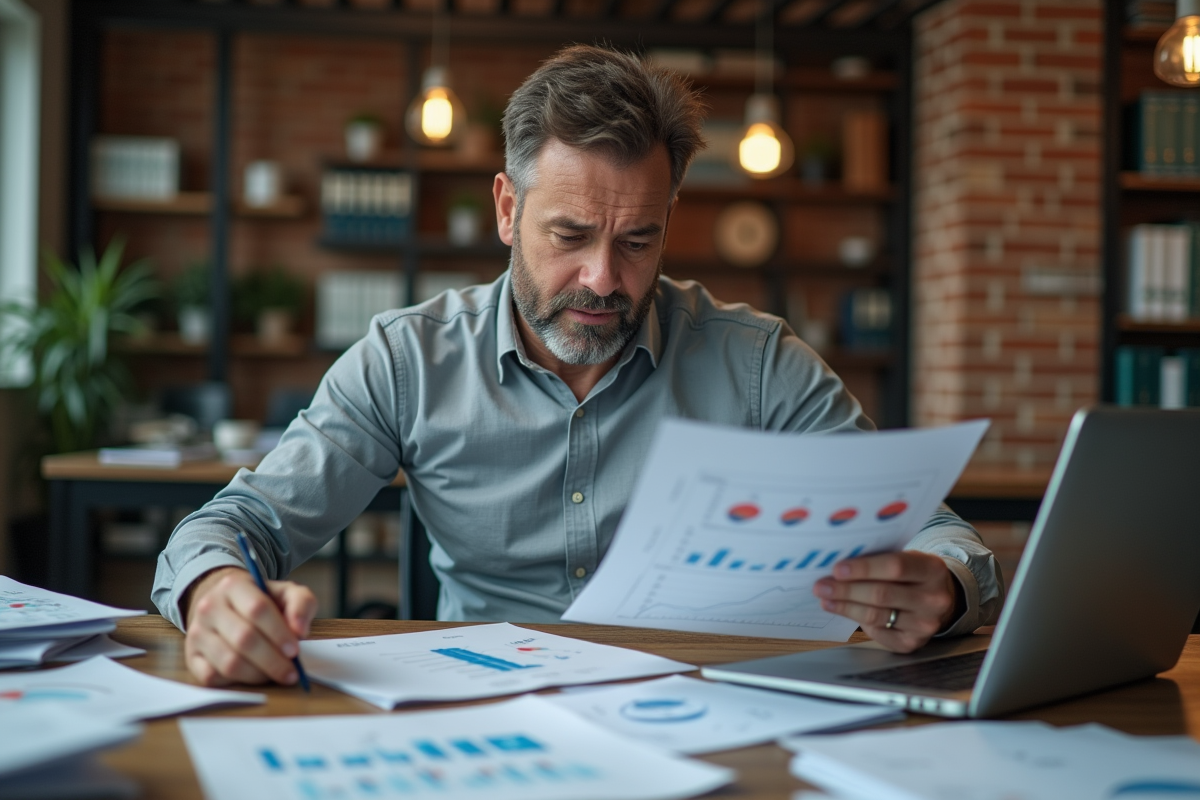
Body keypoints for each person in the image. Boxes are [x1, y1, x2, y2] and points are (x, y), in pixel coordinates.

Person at [153, 45, 1005, 688]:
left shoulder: (756, 363)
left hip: (706, 709)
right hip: (482, 709)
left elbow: (940, 535)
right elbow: (235, 525)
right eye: (570, 236)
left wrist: (941, 584)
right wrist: (217, 592)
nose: (602, 278)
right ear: (507, 209)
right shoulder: (408, 359)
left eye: (637, 242)